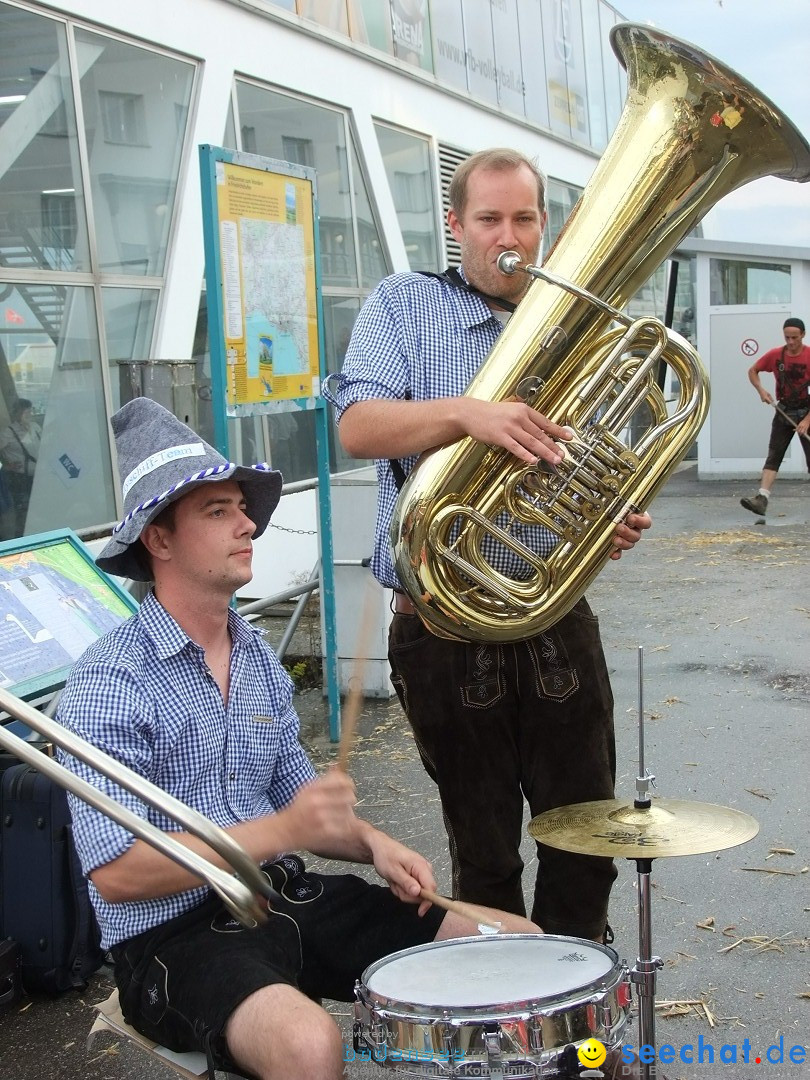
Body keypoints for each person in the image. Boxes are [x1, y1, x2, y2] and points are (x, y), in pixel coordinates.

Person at [56, 397, 537, 1080]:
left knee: (516, 946)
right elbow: (120, 873)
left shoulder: (253, 652)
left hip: (282, 897)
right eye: (217, 511)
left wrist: (372, 843)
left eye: (241, 507)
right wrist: (284, 828)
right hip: (173, 939)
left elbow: (302, 807)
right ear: (158, 540)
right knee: (311, 1046)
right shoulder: (110, 681)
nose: (248, 522)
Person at [325, 148, 652, 945]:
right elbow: (358, 426)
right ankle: (510, 1032)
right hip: (442, 628)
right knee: (486, 857)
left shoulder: (581, 319)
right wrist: (471, 413)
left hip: (553, 618)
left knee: (588, 847)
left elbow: (607, 456)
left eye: (524, 218)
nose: (509, 236)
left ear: (543, 224)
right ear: (455, 224)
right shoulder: (405, 304)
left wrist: (607, 515)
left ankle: (579, 1033)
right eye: (489, 218)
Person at [740, 317, 810, 518]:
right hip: (784, 411)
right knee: (774, 455)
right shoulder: (776, 356)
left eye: (794, 337)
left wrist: (806, 421)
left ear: (803, 335)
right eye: (787, 337)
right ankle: (761, 499)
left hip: (807, 410)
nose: (790, 341)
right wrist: (761, 390)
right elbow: (753, 371)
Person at [0, 397, 41, 535]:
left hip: (38, 475)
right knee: (24, 512)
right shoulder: (8, 433)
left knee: (38, 510)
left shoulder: (35, 427)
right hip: (20, 479)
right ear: (17, 413)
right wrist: (6, 465)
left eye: (30, 411)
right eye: (25, 412)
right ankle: (21, 538)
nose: (29, 414)